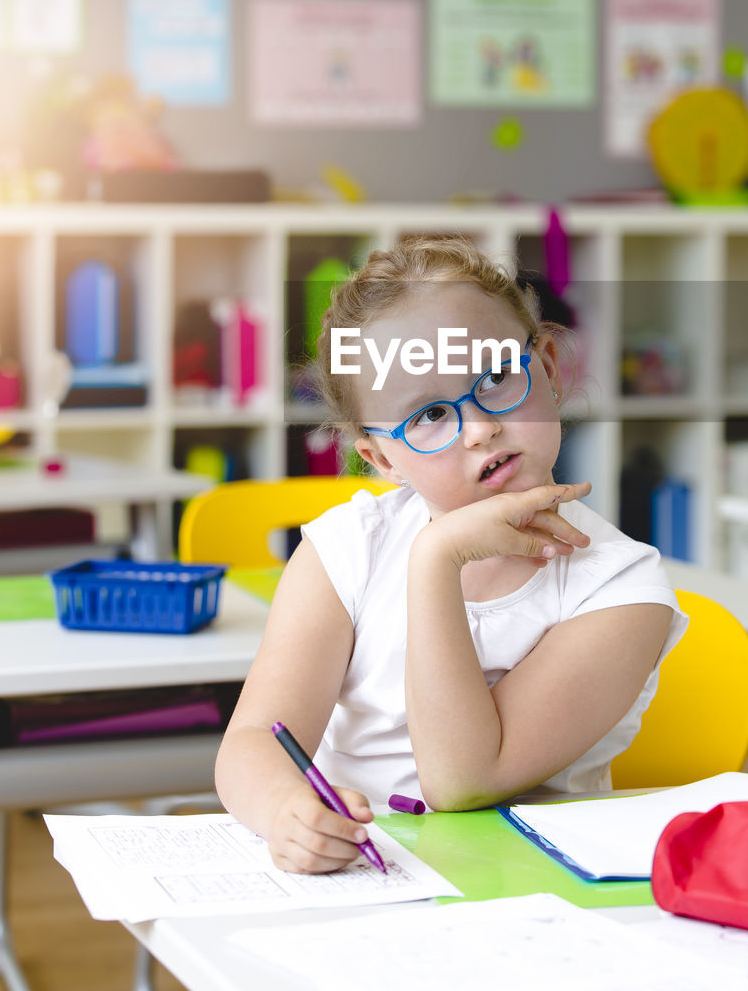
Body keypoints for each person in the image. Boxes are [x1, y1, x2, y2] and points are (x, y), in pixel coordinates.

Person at [215, 236, 687, 873]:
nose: (479, 428)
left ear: (546, 366)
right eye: (431, 414)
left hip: (538, 894)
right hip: (359, 883)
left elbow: (462, 781)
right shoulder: (345, 550)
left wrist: (436, 558)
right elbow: (252, 743)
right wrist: (282, 811)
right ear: (380, 459)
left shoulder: (622, 589)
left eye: (495, 378)